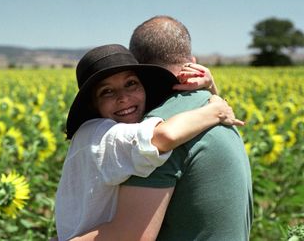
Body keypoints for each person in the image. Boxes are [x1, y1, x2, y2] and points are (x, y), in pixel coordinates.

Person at [71, 16, 253, 240]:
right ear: (194, 62)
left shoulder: (162, 125)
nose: (123, 98)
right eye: (107, 92)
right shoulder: (215, 109)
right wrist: (215, 97)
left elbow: (131, 236)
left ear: (140, 70)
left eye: (130, 83)